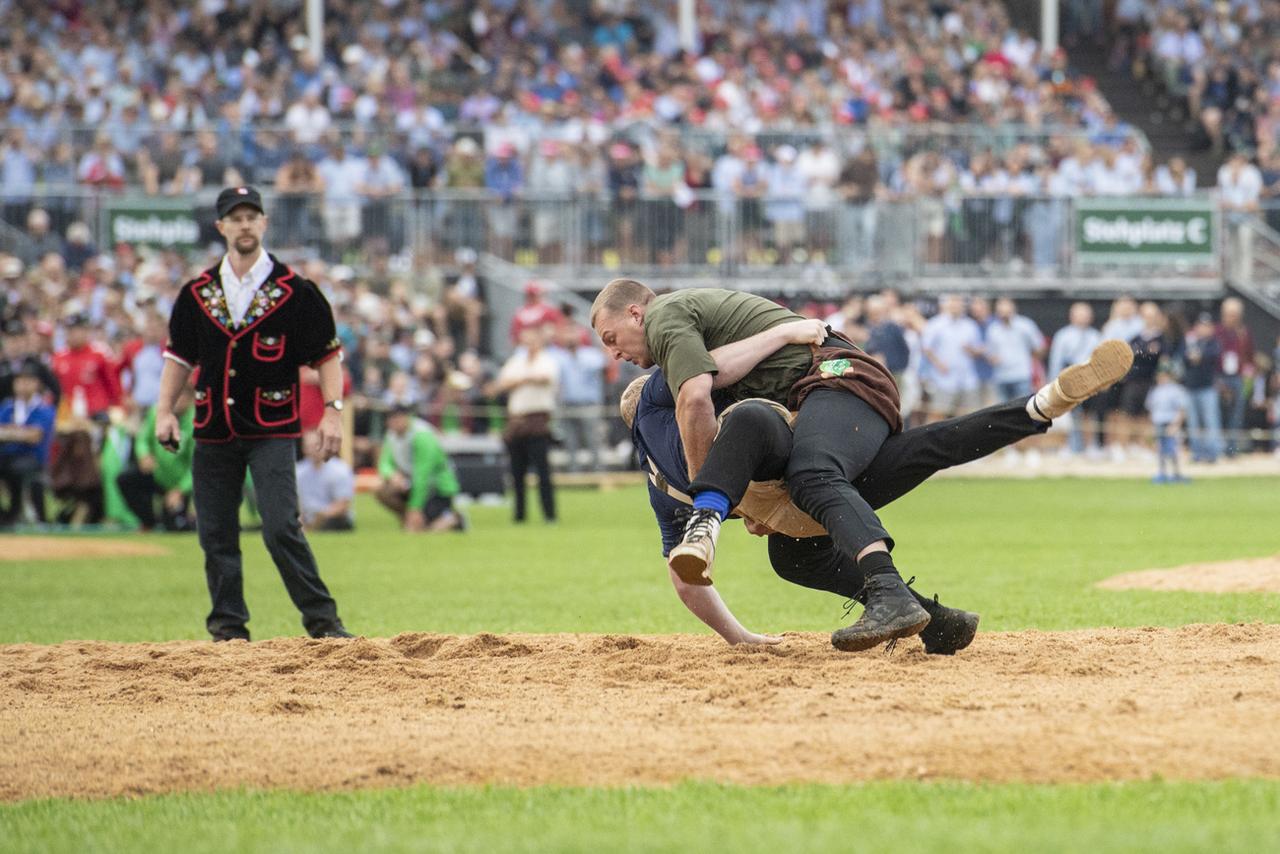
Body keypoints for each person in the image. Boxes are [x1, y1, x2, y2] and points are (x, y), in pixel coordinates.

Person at [591, 279, 1132, 651]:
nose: (614, 353)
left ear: (637, 312)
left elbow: (697, 393)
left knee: (812, 475)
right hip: (831, 400)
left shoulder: (666, 325)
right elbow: (716, 383)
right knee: (802, 547)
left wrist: (717, 507)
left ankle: (889, 591)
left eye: (612, 338)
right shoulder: (677, 407)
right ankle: (1039, 408)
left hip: (836, 375)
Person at [156, 185, 354, 642]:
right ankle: (228, 628)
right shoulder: (197, 292)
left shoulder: (295, 291)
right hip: (213, 427)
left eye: (252, 216)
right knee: (216, 534)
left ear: (264, 223)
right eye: (235, 217)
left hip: (271, 427)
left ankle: (323, 622)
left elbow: (327, 356)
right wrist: (165, 411)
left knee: (281, 526)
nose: (244, 225)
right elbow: (179, 357)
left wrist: (332, 412)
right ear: (221, 226)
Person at [491, 326, 559, 523]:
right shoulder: (516, 361)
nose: (528, 345)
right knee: (516, 472)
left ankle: (549, 514)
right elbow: (502, 383)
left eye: (532, 340)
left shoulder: (547, 360)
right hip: (516, 421)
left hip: (537, 421)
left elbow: (545, 377)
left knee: (543, 471)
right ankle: (519, 515)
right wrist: (527, 379)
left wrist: (520, 379)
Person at [117, 387, 195, 532]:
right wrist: (144, 455)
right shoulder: (157, 413)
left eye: (182, 398)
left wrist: (180, 490)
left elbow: (196, 465)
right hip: (157, 474)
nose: (177, 402)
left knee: (176, 527)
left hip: (178, 483)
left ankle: (190, 520)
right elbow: (142, 439)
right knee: (126, 480)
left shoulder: (194, 423)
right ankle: (148, 521)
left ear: (190, 401)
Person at [375, 405, 463, 532]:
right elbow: (384, 463)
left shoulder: (422, 435)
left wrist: (415, 508)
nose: (393, 422)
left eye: (397, 418)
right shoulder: (391, 435)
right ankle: (409, 520)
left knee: (425, 530)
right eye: (390, 419)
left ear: (407, 418)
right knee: (383, 490)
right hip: (411, 484)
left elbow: (423, 475)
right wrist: (392, 475)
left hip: (437, 489)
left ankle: (454, 519)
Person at [0, 365, 55, 525]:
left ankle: (16, 512)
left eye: (27, 381)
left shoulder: (43, 407)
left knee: (15, 470)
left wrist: (10, 432)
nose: (22, 385)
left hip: (31, 457)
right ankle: (6, 515)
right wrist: (20, 432)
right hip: (6, 455)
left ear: (36, 384)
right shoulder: (8, 407)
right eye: (19, 381)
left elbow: (34, 436)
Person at [1180, 312, 1224, 463]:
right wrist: (1191, 355)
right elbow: (1183, 357)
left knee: (1210, 420)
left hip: (1207, 388)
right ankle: (1196, 453)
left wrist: (1200, 356)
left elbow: (1213, 355)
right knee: (1193, 423)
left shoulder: (1214, 343)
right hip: (1191, 387)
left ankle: (1213, 453)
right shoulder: (1190, 341)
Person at [296, 429, 356, 531]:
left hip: (331, 517)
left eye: (316, 445)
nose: (313, 450)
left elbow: (343, 504)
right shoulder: (298, 471)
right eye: (308, 446)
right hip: (307, 517)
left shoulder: (340, 470)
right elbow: (296, 502)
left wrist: (320, 517)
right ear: (303, 449)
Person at [1147, 361, 1190, 483]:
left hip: (1170, 422)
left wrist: (1175, 425)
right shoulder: (1155, 391)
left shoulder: (1176, 390)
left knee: (1173, 450)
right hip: (1158, 422)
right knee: (1160, 450)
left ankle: (1176, 473)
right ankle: (1162, 473)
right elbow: (1151, 409)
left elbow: (1181, 410)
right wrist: (1152, 426)